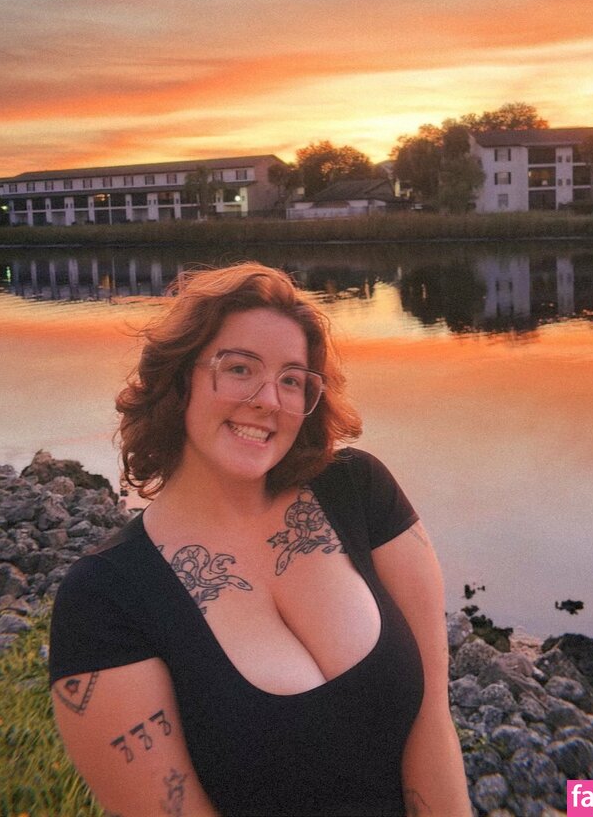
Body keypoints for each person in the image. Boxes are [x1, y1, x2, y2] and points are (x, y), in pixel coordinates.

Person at [49, 262, 470, 817]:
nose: (269, 399)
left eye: (292, 379)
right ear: (180, 380)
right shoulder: (106, 599)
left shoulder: (359, 492)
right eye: (240, 368)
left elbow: (432, 719)